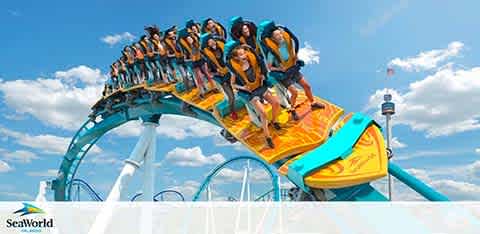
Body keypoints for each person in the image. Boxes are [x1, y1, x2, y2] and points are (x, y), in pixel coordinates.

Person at [259, 21, 324, 121]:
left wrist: (296, 58)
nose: (280, 36)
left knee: (307, 86)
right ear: (272, 39)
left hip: (293, 69)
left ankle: (313, 103)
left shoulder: (287, 43)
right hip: (284, 74)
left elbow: (292, 52)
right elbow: (269, 67)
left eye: (280, 33)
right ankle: (292, 110)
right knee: (294, 93)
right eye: (277, 35)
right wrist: (280, 69)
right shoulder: (271, 53)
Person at [226, 42, 282, 148]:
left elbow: (260, 68)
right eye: (241, 55)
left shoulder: (252, 61)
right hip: (251, 93)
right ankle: (267, 137)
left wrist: (262, 76)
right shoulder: (235, 69)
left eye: (244, 53)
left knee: (276, 103)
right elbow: (232, 85)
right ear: (236, 58)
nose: (245, 56)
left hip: (260, 87)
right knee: (263, 113)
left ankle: (274, 121)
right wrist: (243, 88)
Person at [201, 33, 238, 120]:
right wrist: (217, 73)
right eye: (209, 42)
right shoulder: (209, 59)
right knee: (231, 97)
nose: (212, 43)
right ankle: (232, 112)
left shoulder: (225, 50)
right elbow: (210, 73)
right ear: (208, 45)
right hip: (224, 78)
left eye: (212, 41)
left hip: (233, 74)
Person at [178, 28, 214, 98]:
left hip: (201, 59)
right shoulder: (184, 47)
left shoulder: (196, 41)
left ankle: (213, 87)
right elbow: (185, 57)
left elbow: (201, 49)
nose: (189, 40)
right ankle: (201, 92)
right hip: (194, 62)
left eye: (190, 39)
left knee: (207, 74)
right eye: (188, 39)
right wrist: (189, 60)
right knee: (199, 77)